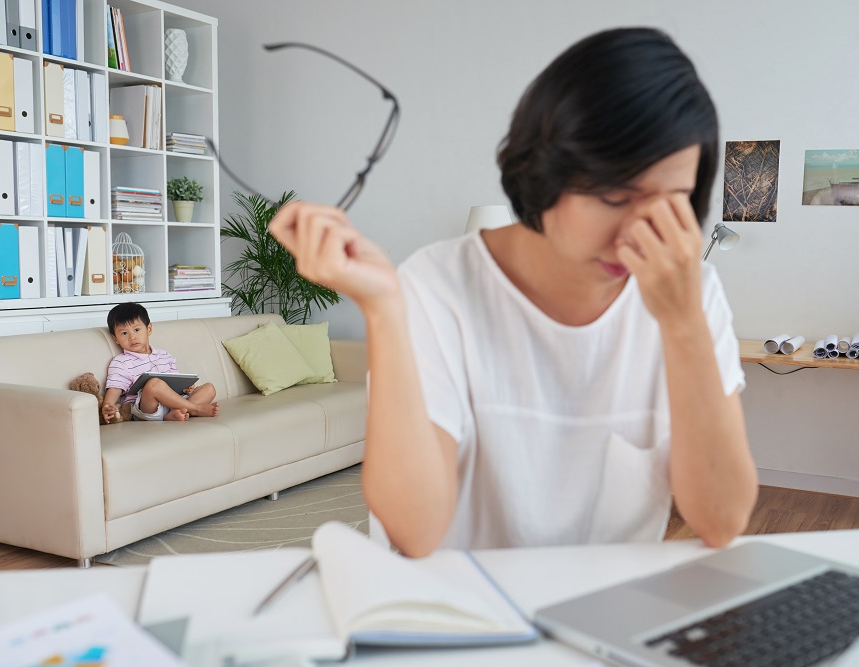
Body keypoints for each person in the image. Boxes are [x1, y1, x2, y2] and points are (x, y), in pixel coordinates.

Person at [269, 28, 757, 556]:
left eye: (673, 200)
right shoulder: (436, 289)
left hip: (610, 616)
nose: (640, 233)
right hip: (463, 616)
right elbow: (414, 530)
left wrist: (683, 324)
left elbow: (721, 520)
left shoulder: (693, 292)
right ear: (543, 169)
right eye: (615, 195)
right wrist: (383, 309)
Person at [102, 302, 220, 422]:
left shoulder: (164, 355)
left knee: (209, 388)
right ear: (116, 339)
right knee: (154, 384)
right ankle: (194, 409)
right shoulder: (121, 362)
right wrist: (108, 405)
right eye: (124, 333)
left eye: (136, 329)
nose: (132, 337)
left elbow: (176, 382)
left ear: (149, 329)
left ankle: (173, 414)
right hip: (147, 407)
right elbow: (115, 388)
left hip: (173, 403)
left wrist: (186, 388)